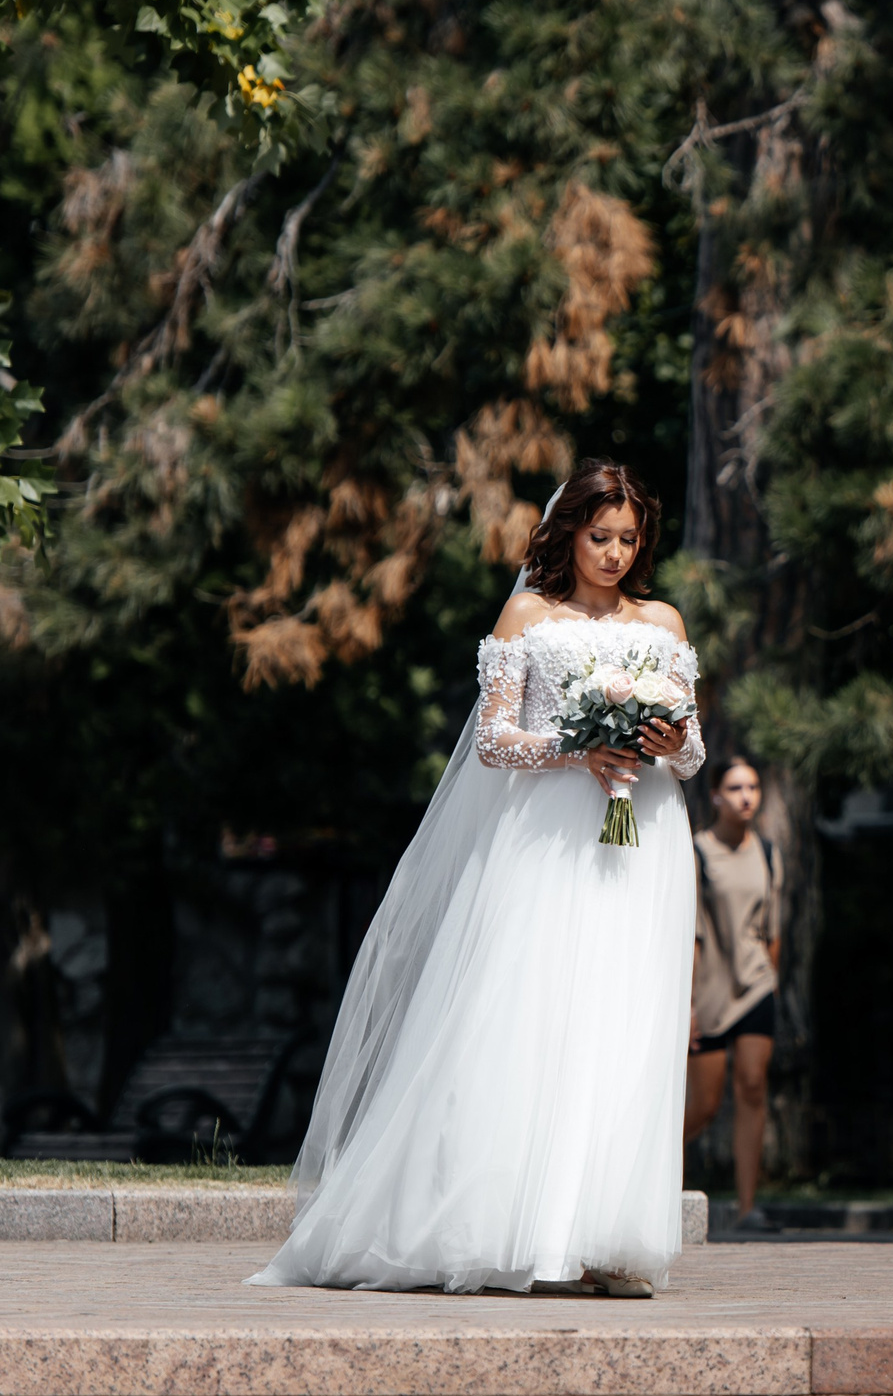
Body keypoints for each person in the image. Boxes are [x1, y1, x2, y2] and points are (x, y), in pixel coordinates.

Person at [250, 462, 705, 1297]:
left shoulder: (664, 621)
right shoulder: (529, 614)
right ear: (568, 532)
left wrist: (664, 738)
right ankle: (498, 1227)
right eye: (598, 535)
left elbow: (693, 756)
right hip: (545, 839)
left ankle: (607, 1238)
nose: (612, 552)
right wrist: (579, 746)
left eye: (627, 539)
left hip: (643, 841)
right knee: (526, 1015)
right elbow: (495, 740)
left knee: (622, 1026)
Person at [685, 756, 781, 1234]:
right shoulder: (696, 852)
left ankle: (747, 1208)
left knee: (752, 1087)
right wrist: (688, 1005)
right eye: (736, 787)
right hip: (710, 994)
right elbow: (689, 934)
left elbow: (773, 927)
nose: (747, 796)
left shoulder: (766, 850)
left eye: (753, 787)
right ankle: (656, 1188)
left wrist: (771, 976)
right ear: (717, 795)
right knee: (701, 1106)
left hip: (757, 985)